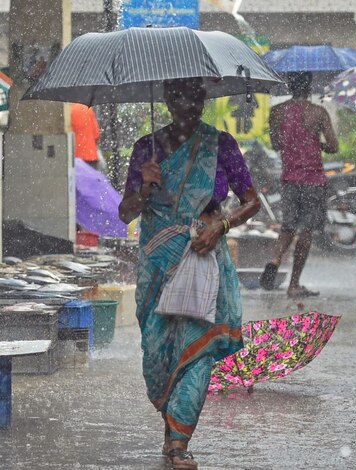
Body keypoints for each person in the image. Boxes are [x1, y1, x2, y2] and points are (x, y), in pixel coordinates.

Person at [118, 78, 260, 470]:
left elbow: (252, 202)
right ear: (166, 99)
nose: (188, 105)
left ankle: (179, 444)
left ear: (204, 99)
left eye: (196, 96)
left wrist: (222, 225)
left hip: (203, 257)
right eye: (179, 96)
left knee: (198, 352)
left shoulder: (221, 144)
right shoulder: (145, 149)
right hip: (158, 264)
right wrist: (145, 188)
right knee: (159, 356)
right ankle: (171, 431)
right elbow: (125, 213)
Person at [259, 71, 338, 297]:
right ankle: (294, 284)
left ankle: (275, 259)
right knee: (307, 230)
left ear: (290, 87)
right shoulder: (318, 112)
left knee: (288, 225)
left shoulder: (277, 112)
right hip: (313, 179)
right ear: (309, 88)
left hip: (289, 178)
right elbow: (334, 146)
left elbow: (275, 144)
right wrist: (316, 144)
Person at [70, 102, 102, 169]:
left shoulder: (68, 111)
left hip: (76, 158)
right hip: (91, 155)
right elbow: (96, 134)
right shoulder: (87, 108)